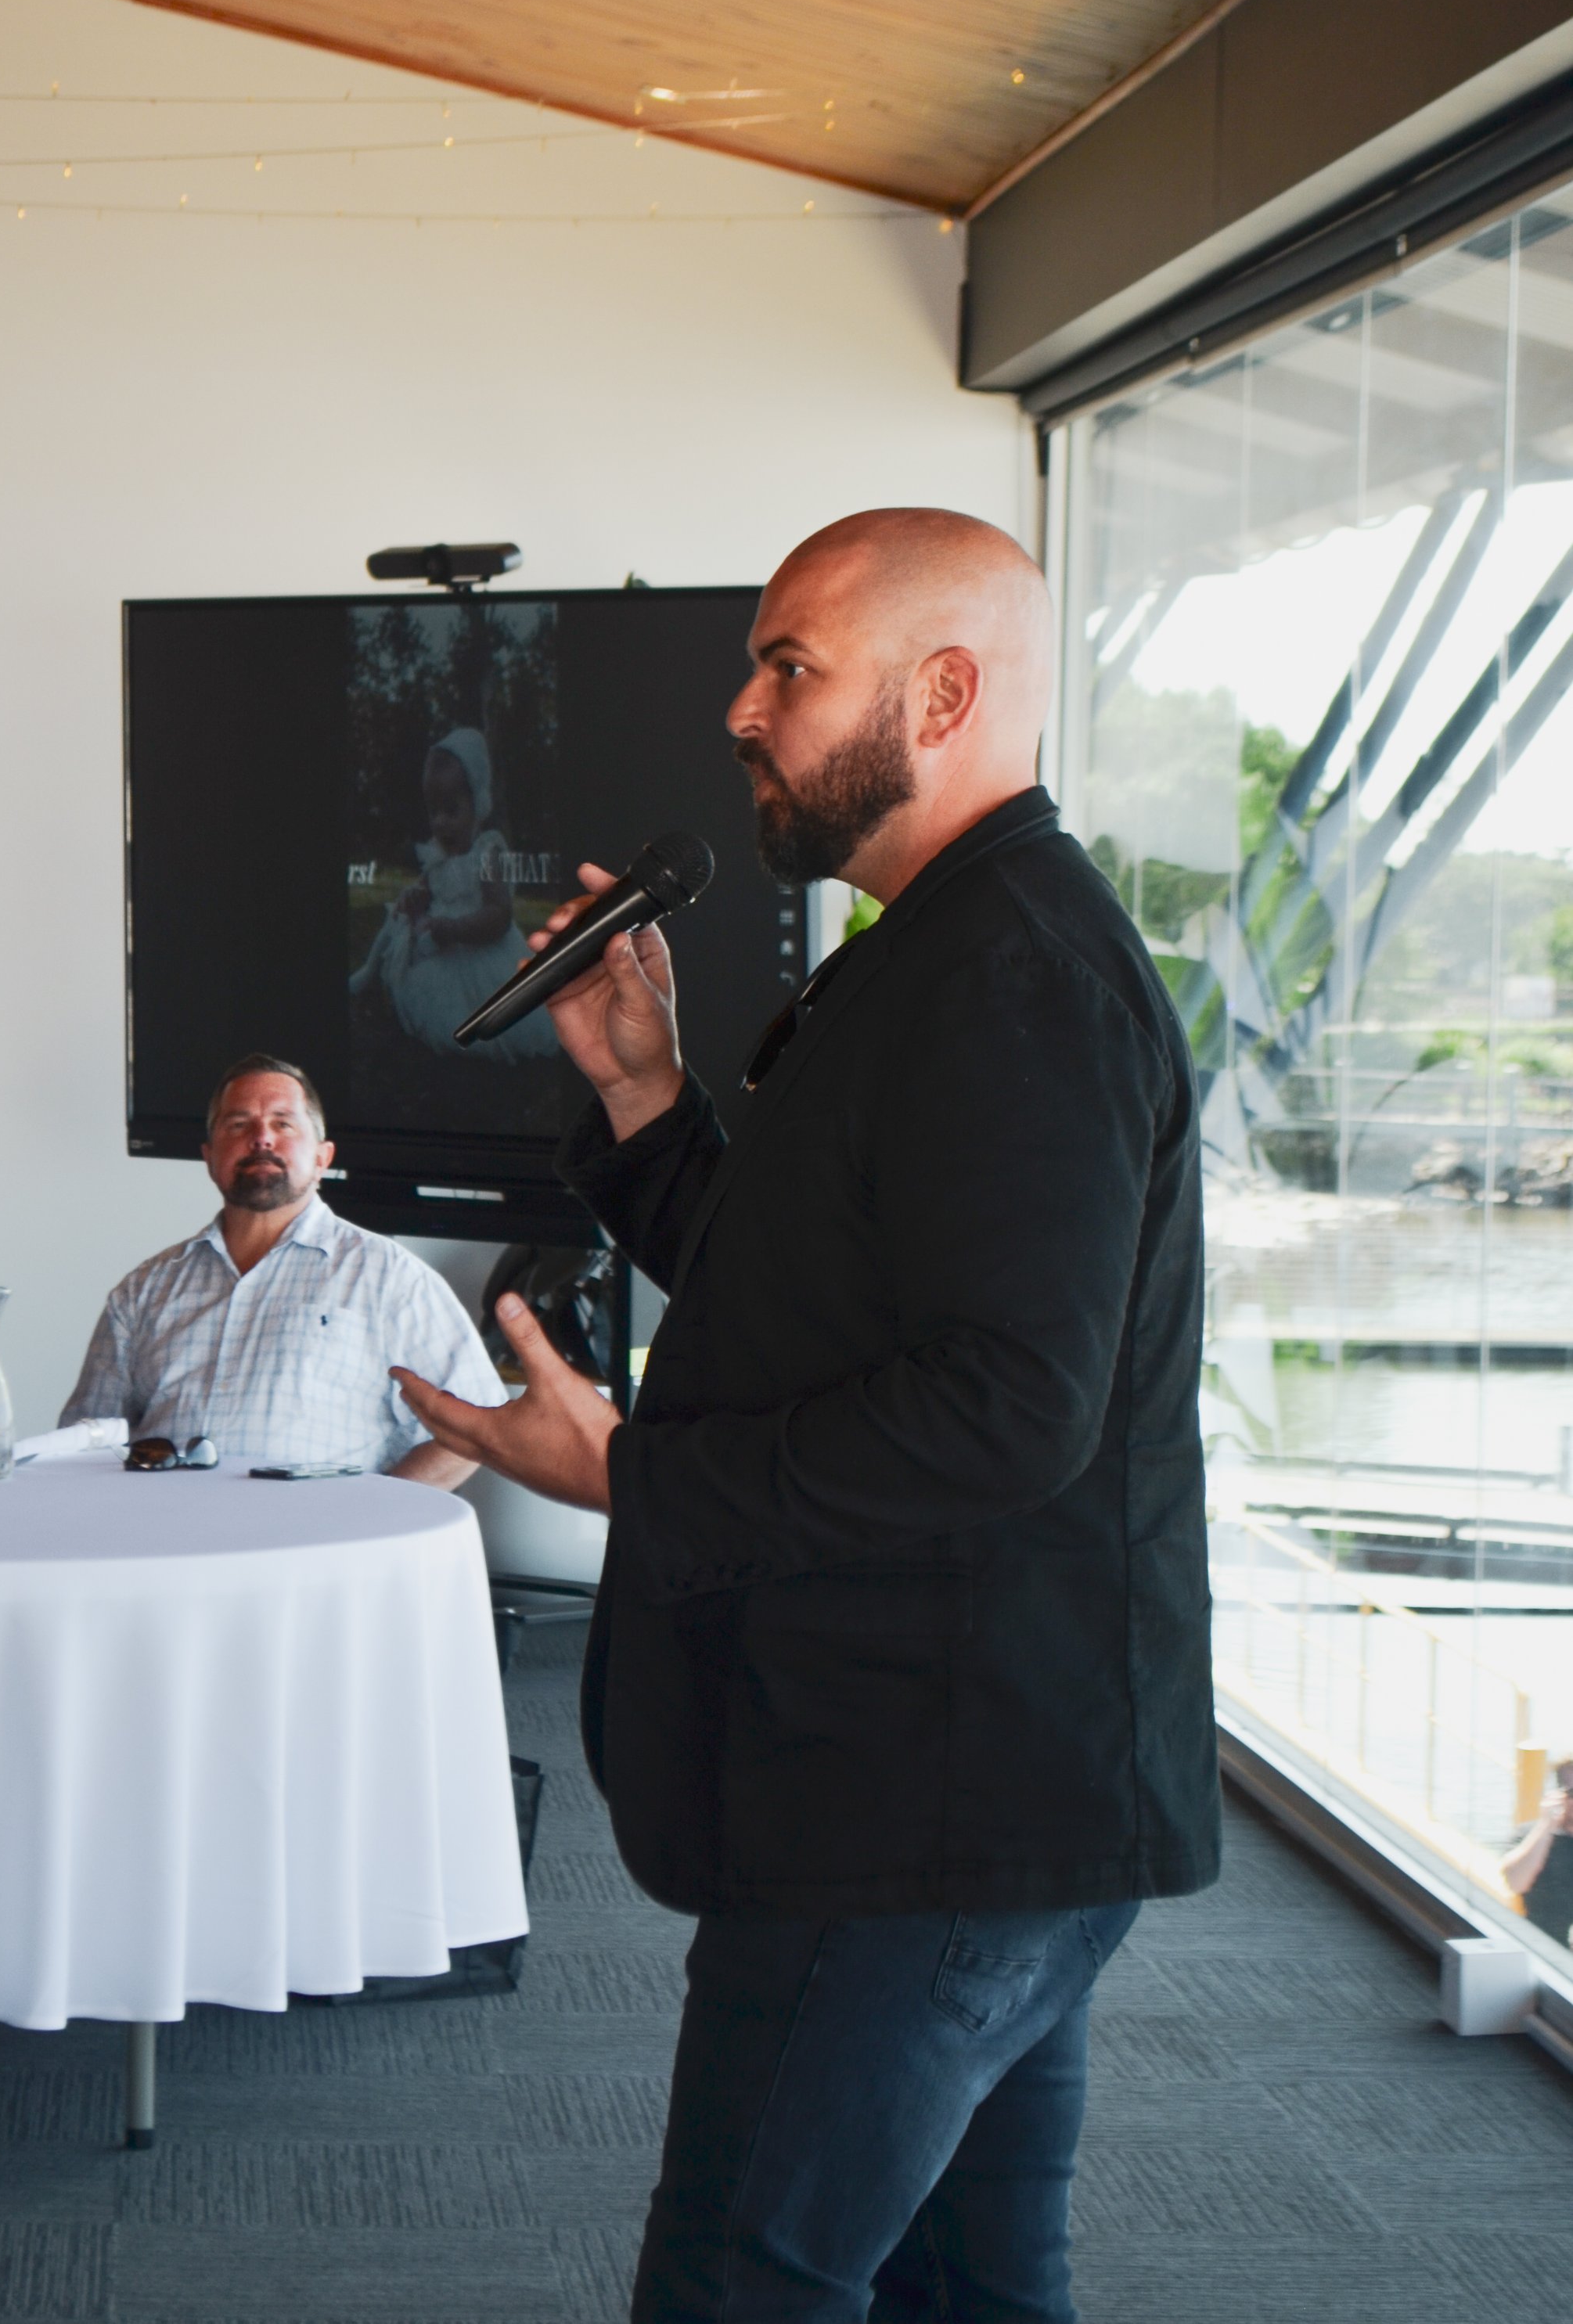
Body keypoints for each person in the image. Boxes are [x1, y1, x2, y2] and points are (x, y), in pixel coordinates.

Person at [395, 508, 1221, 2323]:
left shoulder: (1012, 977)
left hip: (929, 1806)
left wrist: (634, 1470)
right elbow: (809, 1300)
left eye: (790, 665)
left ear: (940, 694)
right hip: (969, 1791)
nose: (740, 709)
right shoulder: (935, 948)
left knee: (742, 2279)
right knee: (969, 2285)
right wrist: (642, 1093)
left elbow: (1007, 1405)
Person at [60, 1056, 506, 1480]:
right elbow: (86, 1443)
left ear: (322, 1157)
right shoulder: (144, 1290)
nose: (262, 1138)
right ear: (210, 1156)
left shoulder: (392, 1279)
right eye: (238, 1124)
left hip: (317, 1554)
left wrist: (369, 1526)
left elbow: (477, 1429)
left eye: (283, 1123)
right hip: (167, 1548)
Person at [350, 726, 555, 1060]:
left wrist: (455, 929)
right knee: (396, 921)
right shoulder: (438, 854)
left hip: (476, 952)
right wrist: (415, 899)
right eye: (434, 812)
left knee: (461, 1012)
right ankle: (369, 974)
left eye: (451, 810)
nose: (441, 823)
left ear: (477, 804)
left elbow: (499, 914)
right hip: (439, 942)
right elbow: (428, 889)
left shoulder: (487, 853)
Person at [1502, 1760, 1573, 1944]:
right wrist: (1546, 1826)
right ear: (1560, 1796)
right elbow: (1516, 1882)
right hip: (1544, 1948)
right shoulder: (1533, 1836)